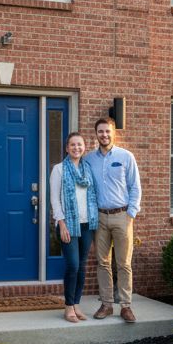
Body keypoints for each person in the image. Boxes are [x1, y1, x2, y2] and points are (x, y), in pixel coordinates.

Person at [85, 116, 141, 322]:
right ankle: (107, 304)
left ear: (114, 133)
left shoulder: (126, 157)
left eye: (107, 131)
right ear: (96, 134)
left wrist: (131, 214)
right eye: (100, 131)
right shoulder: (89, 159)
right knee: (103, 262)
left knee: (124, 263)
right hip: (100, 217)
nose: (104, 135)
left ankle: (126, 306)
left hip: (122, 216)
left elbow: (135, 186)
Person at [49, 132, 99, 322]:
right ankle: (68, 307)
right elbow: (54, 199)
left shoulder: (88, 169)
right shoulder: (59, 169)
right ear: (67, 148)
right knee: (73, 265)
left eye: (79, 145)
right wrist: (61, 224)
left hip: (87, 224)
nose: (76, 148)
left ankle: (76, 304)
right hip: (68, 224)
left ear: (84, 147)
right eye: (72, 145)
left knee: (82, 267)